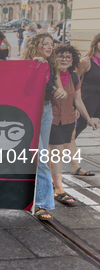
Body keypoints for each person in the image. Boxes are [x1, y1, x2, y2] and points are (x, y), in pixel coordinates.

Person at [21, 32, 67, 220]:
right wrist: (33, 67)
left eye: (51, 44)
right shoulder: (29, 64)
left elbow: (58, 87)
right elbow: (23, 88)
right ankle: (41, 204)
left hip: (47, 111)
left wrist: (61, 92)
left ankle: (38, 200)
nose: (49, 47)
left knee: (42, 156)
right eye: (45, 44)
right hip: (31, 111)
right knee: (40, 158)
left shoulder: (50, 66)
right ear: (36, 46)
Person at [49, 44, 99, 206]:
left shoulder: (74, 77)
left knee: (56, 154)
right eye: (61, 56)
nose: (64, 59)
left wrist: (88, 118)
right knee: (56, 154)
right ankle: (59, 189)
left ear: (72, 61)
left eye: (68, 57)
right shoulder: (48, 75)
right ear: (54, 57)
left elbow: (77, 100)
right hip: (52, 119)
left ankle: (51, 182)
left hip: (69, 119)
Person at [74, 33, 100, 176]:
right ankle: (71, 160)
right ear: (96, 43)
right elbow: (74, 79)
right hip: (87, 96)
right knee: (79, 127)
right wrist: (74, 103)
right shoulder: (86, 61)